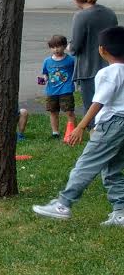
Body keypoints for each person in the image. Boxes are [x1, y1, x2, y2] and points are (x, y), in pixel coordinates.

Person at [33, 25, 124, 226]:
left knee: (86, 164)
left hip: (113, 124)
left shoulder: (109, 73)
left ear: (102, 50)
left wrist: (81, 126)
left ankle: (63, 204)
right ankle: (121, 212)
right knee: (111, 168)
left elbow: (99, 102)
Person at [69, 0, 119, 110]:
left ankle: (93, 128)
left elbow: (75, 46)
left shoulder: (81, 16)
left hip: (89, 68)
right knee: (109, 104)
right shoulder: (110, 13)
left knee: (91, 105)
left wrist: (70, 47)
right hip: (112, 64)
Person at [33, 35, 79, 140]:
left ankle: (73, 132)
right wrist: (44, 79)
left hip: (66, 90)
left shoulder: (71, 60)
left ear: (64, 46)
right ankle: (55, 133)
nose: (56, 49)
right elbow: (45, 73)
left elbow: (78, 68)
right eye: (53, 47)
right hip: (51, 91)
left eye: (59, 46)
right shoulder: (47, 61)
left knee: (69, 112)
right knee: (53, 112)